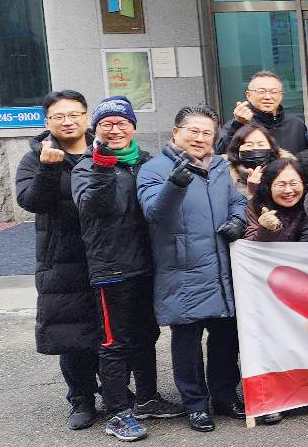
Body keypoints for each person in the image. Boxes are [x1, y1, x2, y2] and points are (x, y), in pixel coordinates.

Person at [15, 91, 166, 432]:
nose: (68, 121)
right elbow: (31, 201)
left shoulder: (116, 151)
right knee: (74, 332)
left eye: (75, 114)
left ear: (86, 118)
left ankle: (121, 394)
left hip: (113, 255)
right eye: (59, 116)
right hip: (65, 258)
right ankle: (82, 399)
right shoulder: (36, 157)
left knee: (121, 330)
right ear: (47, 121)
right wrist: (48, 168)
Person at [137, 106, 280, 431]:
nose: (200, 138)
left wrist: (236, 220)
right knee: (187, 342)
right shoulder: (154, 169)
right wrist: (175, 183)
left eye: (207, 133)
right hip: (182, 269)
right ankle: (196, 405)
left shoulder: (217, 166)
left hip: (221, 268)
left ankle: (225, 397)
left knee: (225, 339)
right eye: (194, 131)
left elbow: (236, 200)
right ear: (176, 133)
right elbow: (154, 213)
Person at [70, 96, 183, 441]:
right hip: (111, 269)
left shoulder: (146, 162)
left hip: (148, 266)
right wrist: (103, 168)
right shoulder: (86, 167)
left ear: (133, 126)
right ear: (96, 130)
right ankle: (118, 412)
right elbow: (92, 207)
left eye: (122, 123)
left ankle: (147, 398)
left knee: (146, 335)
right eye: (107, 124)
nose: (115, 129)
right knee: (114, 342)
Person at [215, 70, 308, 154]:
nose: (267, 97)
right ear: (248, 95)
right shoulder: (238, 124)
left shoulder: (296, 124)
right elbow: (221, 155)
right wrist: (237, 124)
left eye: (273, 92)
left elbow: (304, 158)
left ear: (281, 95)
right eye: (261, 92)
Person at [244, 159, 308, 242]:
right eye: (281, 185)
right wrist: (266, 229)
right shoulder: (256, 204)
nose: (288, 190)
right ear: (268, 187)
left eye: (294, 184)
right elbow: (249, 245)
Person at [223, 123, 283, 199]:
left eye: (261, 145)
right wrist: (251, 192)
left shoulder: (284, 172)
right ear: (237, 149)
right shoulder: (224, 177)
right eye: (249, 145)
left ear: (271, 148)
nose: (255, 148)